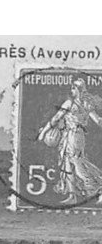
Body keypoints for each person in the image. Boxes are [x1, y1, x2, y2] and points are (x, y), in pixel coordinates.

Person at [37, 77, 102, 205]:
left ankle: (97, 187)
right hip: (72, 135)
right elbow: (98, 120)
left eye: (74, 87)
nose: (72, 90)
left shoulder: (69, 103)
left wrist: (44, 132)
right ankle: (72, 195)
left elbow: (55, 119)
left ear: (78, 90)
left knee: (77, 163)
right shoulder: (87, 104)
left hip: (73, 135)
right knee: (67, 164)